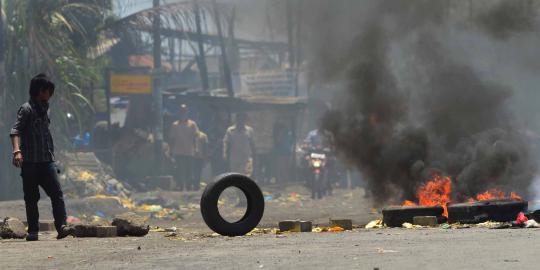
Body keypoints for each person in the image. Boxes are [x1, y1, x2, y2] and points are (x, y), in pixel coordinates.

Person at [9, 74, 75, 241]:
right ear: (40, 91)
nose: (50, 94)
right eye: (48, 90)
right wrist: (17, 152)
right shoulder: (26, 109)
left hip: (46, 160)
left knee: (57, 193)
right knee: (31, 197)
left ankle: (62, 227)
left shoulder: (46, 108)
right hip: (30, 161)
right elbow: (15, 131)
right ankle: (33, 231)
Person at [168, 104, 199, 191]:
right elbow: (172, 139)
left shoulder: (192, 124)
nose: (183, 113)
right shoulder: (175, 125)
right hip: (178, 151)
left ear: (187, 112)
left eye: (184, 111)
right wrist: (171, 150)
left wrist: (196, 148)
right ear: (179, 113)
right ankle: (181, 186)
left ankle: (189, 187)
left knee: (189, 170)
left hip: (189, 151)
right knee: (180, 169)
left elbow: (195, 137)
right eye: (181, 111)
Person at [223, 112, 256, 177]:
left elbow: (252, 143)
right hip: (234, 157)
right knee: (235, 175)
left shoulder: (249, 130)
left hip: (246, 157)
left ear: (245, 120)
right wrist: (224, 153)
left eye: (242, 119)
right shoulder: (230, 130)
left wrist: (255, 156)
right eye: (239, 119)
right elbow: (226, 142)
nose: (241, 121)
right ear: (236, 120)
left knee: (246, 176)